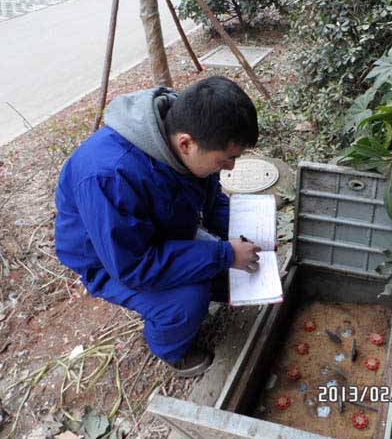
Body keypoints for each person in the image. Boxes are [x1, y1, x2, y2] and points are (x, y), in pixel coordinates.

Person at [54, 76, 262, 377]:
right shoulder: (110, 177)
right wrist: (226, 254)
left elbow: (212, 200)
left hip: (158, 233)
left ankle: (213, 275)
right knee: (189, 299)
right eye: (225, 160)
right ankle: (171, 350)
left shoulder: (193, 130)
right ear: (186, 144)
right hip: (112, 260)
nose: (231, 167)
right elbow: (133, 267)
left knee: (237, 274)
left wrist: (245, 233)